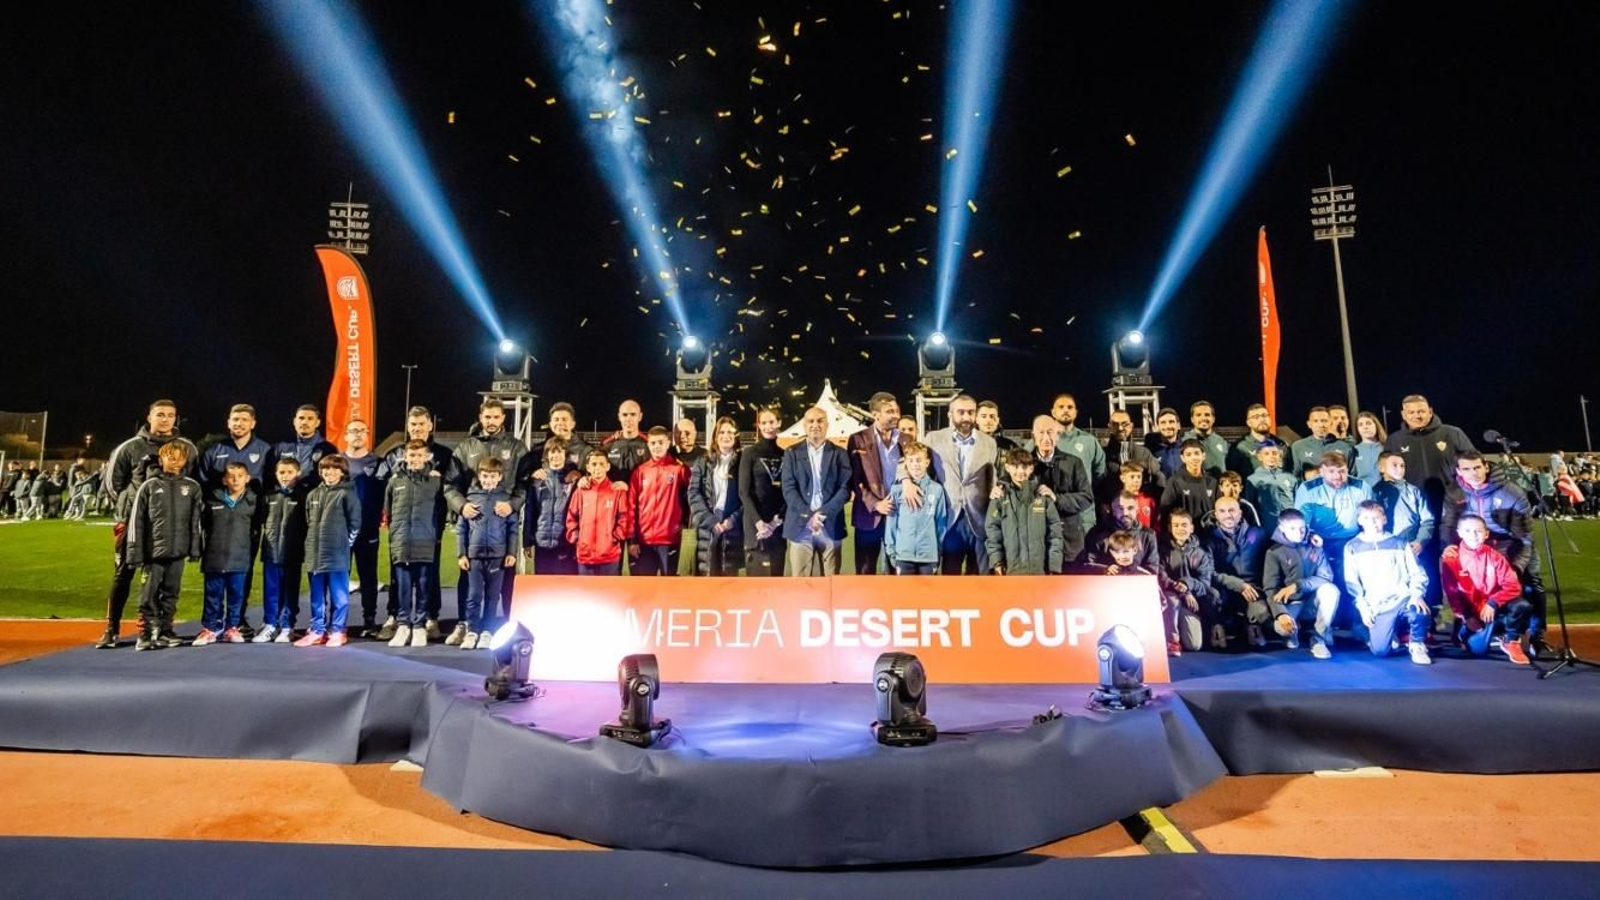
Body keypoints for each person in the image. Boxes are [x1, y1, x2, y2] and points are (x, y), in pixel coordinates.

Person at [96, 399, 200, 649]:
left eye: (170, 415)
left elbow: (191, 481)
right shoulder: (129, 448)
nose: (165, 419)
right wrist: (131, 510)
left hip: (167, 527)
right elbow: (113, 485)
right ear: (149, 417)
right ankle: (112, 628)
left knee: (164, 579)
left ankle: (161, 628)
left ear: (176, 419)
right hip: (132, 524)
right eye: (160, 414)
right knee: (123, 574)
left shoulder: (187, 448)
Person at [1440, 451, 1547, 647]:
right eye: (1466, 469)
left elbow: (1524, 536)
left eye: (1477, 467)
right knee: (1464, 583)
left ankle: (1537, 634)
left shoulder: (1511, 492)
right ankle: (1466, 622)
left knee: (1532, 583)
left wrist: (1516, 567)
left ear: (1486, 467)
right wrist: (1449, 546)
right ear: (1458, 471)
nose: (1473, 473)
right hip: (1476, 542)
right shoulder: (1454, 492)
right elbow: (1448, 523)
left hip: (1511, 544)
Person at [445, 399, 529, 644]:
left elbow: (524, 484)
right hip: (475, 530)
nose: (491, 421)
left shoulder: (517, 448)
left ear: (503, 418)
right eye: (487, 417)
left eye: (496, 417)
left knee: (502, 585)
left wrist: (512, 505)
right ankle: (465, 625)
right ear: (480, 417)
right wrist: (462, 506)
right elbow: (450, 485)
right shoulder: (465, 448)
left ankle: (500, 627)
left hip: (501, 528)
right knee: (469, 584)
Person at [376, 406, 457, 641]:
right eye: (413, 425)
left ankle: (430, 617)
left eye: (421, 424)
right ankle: (395, 617)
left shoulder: (444, 455)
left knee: (428, 573)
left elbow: (448, 489)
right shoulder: (395, 454)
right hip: (402, 527)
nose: (417, 429)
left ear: (430, 425)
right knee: (398, 572)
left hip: (430, 526)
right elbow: (386, 490)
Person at [901, 395, 997, 574]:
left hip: (979, 521)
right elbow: (907, 461)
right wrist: (906, 481)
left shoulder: (989, 443)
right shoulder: (934, 439)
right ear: (950, 415)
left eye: (971, 412)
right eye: (961, 412)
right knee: (949, 577)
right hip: (949, 519)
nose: (966, 417)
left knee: (981, 580)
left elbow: (994, 479)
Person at [126, 441, 204, 651]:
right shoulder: (149, 486)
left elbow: (195, 522)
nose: (175, 462)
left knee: (171, 592)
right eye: (171, 457)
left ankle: (165, 630)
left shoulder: (192, 487)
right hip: (153, 554)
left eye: (180, 458)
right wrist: (134, 553)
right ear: (161, 460)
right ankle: (145, 632)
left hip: (178, 551)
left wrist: (195, 549)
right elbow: (136, 521)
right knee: (148, 594)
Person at [1344, 501, 1432, 665]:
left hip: (1402, 597)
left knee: (1419, 610)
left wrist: (1417, 595)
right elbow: (1353, 583)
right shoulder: (1352, 547)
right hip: (1377, 604)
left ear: (1384, 519)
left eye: (1376, 518)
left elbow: (1417, 572)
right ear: (1359, 521)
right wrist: (1364, 608)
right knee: (1380, 651)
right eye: (1367, 518)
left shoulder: (1399, 543)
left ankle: (1417, 644)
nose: (1372, 522)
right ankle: (1388, 633)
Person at [1440, 514, 1529, 664]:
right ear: (1459, 533)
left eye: (1478, 531)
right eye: (1467, 531)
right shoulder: (1451, 559)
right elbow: (1452, 594)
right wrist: (1467, 616)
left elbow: (1513, 585)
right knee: (1477, 651)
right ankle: (1463, 628)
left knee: (1522, 605)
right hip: (1471, 610)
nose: (1473, 535)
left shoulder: (1495, 557)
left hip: (1492, 606)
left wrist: (1494, 602)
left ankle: (1511, 640)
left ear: (1486, 533)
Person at [294, 455, 361, 648]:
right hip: (315, 554)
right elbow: (309, 522)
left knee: (339, 596)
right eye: (325, 469)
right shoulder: (313, 494)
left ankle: (338, 630)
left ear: (342, 472)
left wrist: (344, 545)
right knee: (317, 596)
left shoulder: (347, 494)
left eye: (334, 469)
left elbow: (355, 524)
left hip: (337, 555)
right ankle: (317, 630)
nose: (329, 473)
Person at [385, 439, 446, 648]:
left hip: (425, 541)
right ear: (405, 456)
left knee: (423, 586)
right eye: (411, 455)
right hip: (401, 542)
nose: (415, 459)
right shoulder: (395, 481)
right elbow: (389, 511)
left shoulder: (435, 481)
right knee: (402, 587)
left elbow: (440, 511)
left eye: (419, 455)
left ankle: (419, 625)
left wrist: (435, 534)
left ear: (427, 457)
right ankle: (403, 625)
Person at [454, 457, 519, 650]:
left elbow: (513, 529)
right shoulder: (471, 499)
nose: (488, 479)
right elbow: (461, 529)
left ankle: (487, 632)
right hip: (474, 556)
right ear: (479, 477)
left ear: (499, 477)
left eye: (492, 476)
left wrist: (511, 552)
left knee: (492, 596)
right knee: (474, 596)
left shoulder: (506, 501)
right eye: (485, 476)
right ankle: (472, 630)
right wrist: (461, 554)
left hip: (497, 557)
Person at [780, 406, 852, 576]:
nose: (815, 425)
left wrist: (822, 514)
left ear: (827, 425)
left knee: (831, 586)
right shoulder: (791, 453)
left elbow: (845, 488)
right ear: (804, 425)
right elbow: (788, 489)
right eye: (810, 421)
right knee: (801, 585)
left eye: (820, 421)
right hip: (800, 526)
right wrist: (808, 516)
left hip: (830, 526)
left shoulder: (839, 453)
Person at [193, 462, 259, 646]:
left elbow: (256, 529)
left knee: (236, 596)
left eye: (240, 475)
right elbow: (201, 527)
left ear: (247, 478)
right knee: (213, 595)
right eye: (231, 476)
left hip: (240, 557)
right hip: (214, 557)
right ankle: (210, 628)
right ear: (224, 480)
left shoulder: (253, 501)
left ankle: (233, 627)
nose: (235, 479)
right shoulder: (212, 500)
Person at [1382, 394, 1477, 520]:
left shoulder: (1453, 433)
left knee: (1449, 537)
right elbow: (1388, 475)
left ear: (1430, 412)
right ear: (1404, 415)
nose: (1417, 416)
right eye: (1411, 412)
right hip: (1414, 504)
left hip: (1452, 501)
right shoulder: (1394, 440)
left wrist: (1460, 491)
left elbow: (1474, 463)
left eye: (1421, 411)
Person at [1263, 509, 1340, 658]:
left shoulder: (1315, 545)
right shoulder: (1274, 552)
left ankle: (1318, 638)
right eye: (1292, 528)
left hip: (1312, 601)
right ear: (1282, 529)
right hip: (1291, 604)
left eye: (1302, 528)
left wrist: (1298, 585)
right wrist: (1281, 614)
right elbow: (1270, 588)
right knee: (1283, 628)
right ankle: (1292, 631)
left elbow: (1325, 576)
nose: (1299, 532)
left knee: (1331, 590)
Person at [848, 392, 910, 574]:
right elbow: (855, 479)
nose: (896, 416)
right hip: (869, 516)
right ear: (875, 414)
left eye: (897, 411)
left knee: (897, 571)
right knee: (865, 571)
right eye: (890, 411)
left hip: (899, 515)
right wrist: (876, 504)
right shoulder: (858, 440)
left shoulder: (906, 440)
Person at [1023, 415, 1094, 565]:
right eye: (1041, 432)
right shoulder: (1023, 465)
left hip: (1068, 542)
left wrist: (1057, 499)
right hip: (1034, 542)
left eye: (1050, 432)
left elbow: (1087, 497)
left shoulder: (1074, 462)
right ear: (1033, 436)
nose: (1046, 437)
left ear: (1057, 435)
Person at [1293, 452, 1373, 585]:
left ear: (1348, 470)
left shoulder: (1361, 487)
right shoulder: (1308, 489)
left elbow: (1371, 517)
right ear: (1321, 471)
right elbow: (1300, 521)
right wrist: (1310, 534)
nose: (1337, 476)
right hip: (1318, 540)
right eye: (1331, 471)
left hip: (1352, 539)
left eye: (1342, 471)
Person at [984, 448, 1064, 576]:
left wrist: (1054, 565)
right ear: (1007, 467)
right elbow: (992, 531)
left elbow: (1055, 534)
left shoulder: (1043, 497)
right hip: (1010, 570)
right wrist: (997, 561)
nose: (1020, 471)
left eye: (1025, 466)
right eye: (1015, 466)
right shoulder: (999, 496)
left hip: (1039, 571)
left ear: (1032, 468)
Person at [255, 457, 308, 643]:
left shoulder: (303, 496)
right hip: (271, 553)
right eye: (281, 473)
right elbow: (259, 521)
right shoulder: (269, 496)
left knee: (290, 591)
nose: (285, 476)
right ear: (276, 474)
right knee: (271, 591)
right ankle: (270, 624)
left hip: (293, 553)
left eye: (290, 472)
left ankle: (287, 626)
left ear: (298, 473)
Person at [341, 418, 385, 637]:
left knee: (368, 576)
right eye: (353, 431)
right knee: (340, 576)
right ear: (345, 435)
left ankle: (369, 621)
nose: (357, 434)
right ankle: (338, 621)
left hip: (368, 529)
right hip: (340, 531)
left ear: (367, 434)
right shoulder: (336, 461)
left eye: (361, 431)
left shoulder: (378, 463)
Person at [1207, 497, 1270, 648]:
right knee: (1212, 598)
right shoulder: (1208, 539)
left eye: (1232, 510)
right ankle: (1219, 626)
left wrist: (1310, 535)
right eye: (1222, 511)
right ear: (1216, 515)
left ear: (1240, 513)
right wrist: (1239, 585)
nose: (1228, 515)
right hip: (1225, 589)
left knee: (1263, 613)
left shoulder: (1259, 534)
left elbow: (1280, 550)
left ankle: (1250, 624)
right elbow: (1209, 573)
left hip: (1253, 589)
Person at [688, 417, 744, 576]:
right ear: (715, 436)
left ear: (736, 436)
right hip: (708, 525)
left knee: (729, 580)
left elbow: (747, 496)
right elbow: (693, 493)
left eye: (730, 432)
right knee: (706, 579)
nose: (726, 436)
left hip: (731, 527)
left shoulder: (743, 462)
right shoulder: (702, 462)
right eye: (722, 432)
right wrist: (710, 521)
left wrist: (733, 520)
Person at [631, 426, 690, 576]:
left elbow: (691, 497)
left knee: (669, 587)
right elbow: (631, 506)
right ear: (648, 445)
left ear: (668, 443)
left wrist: (684, 522)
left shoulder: (679, 469)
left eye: (660, 442)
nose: (657, 446)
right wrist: (633, 539)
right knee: (644, 589)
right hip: (644, 539)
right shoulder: (640, 471)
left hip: (669, 538)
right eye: (653, 443)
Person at [1156, 509, 1216, 654]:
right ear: (1170, 528)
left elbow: (1205, 584)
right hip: (1170, 597)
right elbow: (1161, 576)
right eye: (1176, 525)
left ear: (1191, 528)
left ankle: (1185, 629)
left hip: (1190, 601)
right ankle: (1172, 641)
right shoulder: (1162, 550)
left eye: (1184, 525)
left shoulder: (1201, 553)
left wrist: (1188, 586)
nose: (1180, 529)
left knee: (1194, 645)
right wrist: (1182, 590)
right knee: (1172, 601)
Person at [884, 441, 949, 574]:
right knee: (905, 594)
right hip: (903, 555)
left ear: (927, 462)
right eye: (911, 461)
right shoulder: (897, 490)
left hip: (928, 556)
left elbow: (940, 523)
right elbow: (891, 523)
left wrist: (937, 551)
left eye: (919, 460)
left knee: (927, 595)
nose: (915, 465)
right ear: (906, 463)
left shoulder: (937, 490)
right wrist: (891, 552)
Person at [568, 450, 634, 576]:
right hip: (585, 555)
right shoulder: (580, 492)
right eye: (593, 464)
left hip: (609, 555)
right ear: (588, 467)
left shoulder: (617, 491)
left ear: (607, 467)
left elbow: (624, 517)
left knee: (608, 594)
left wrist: (616, 537)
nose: (597, 467)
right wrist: (576, 537)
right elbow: (571, 516)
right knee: (587, 595)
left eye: (601, 464)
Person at [738, 407, 787, 577]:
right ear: (758, 425)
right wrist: (759, 522)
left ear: (779, 423)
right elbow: (743, 492)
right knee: (756, 585)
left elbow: (787, 492)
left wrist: (775, 522)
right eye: (764, 423)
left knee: (776, 579)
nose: (768, 426)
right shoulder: (749, 453)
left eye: (772, 422)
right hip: (755, 526)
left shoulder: (785, 455)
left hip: (777, 526)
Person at [526, 438, 578, 576]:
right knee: (543, 588)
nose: (556, 456)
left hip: (565, 543)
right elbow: (530, 512)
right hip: (541, 543)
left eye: (560, 452)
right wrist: (527, 541)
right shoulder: (537, 480)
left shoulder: (573, 479)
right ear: (547, 455)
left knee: (565, 589)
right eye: (552, 452)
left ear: (565, 455)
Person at [1049, 394, 1107, 512]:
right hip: (1052, 512)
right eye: (1061, 407)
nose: (1066, 410)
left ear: (1075, 413)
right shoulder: (1042, 440)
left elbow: (1099, 474)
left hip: (1083, 514)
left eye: (1070, 407)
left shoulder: (1089, 441)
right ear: (1053, 413)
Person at [1371, 452, 1435, 558]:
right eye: (1394, 465)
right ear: (1382, 468)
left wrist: (1420, 541)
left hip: (1411, 546)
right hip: (1385, 548)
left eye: (1402, 466)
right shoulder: (1375, 492)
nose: (1400, 469)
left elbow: (1428, 520)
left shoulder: (1413, 491)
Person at [201, 404, 274, 494]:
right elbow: (203, 483)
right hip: (221, 506)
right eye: (235, 419)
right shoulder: (213, 451)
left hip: (255, 506)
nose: (239, 424)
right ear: (229, 423)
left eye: (244, 420)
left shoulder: (265, 450)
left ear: (253, 424)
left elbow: (271, 482)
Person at [1085, 491, 1160, 573]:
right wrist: (1103, 570)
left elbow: (1152, 568)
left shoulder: (1147, 535)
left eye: (1130, 508)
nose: (1125, 513)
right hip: (1105, 584)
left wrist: (1135, 573)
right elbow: (1086, 565)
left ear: (1137, 509)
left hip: (1138, 584)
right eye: (1120, 508)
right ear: (1112, 510)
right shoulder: (1097, 534)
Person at [1101, 408, 1162, 506]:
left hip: (1141, 508)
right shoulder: (1102, 454)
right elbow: (1097, 482)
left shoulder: (1143, 452)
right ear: (1109, 426)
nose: (1120, 428)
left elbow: (1158, 477)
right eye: (1115, 424)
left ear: (1131, 426)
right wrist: (1103, 502)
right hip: (1112, 508)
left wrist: (1154, 503)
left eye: (1124, 424)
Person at [1246, 439, 1298, 535]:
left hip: (1290, 526)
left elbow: (1297, 501)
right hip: (1267, 527)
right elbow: (1250, 507)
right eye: (1266, 454)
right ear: (1259, 457)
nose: (1271, 457)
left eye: (1274, 453)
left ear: (1279, 455)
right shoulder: (1253, 480)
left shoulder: (1290, 477)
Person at [275, 405, 339, 482]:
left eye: (310, 419)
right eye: (301, 418)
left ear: (317, 423)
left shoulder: (328, 449)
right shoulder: (282, 446)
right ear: (294, 422)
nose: (304, 422)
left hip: (314, 493)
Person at [1160, 439, 1218, 524]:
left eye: (1197, 453)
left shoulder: (1212, 482)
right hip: (1185, 534)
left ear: (1204, 456)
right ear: (1183, 458)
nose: (1193, 458)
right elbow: (1165, 510)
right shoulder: (1174, 482)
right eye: (1188, 455)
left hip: (1209, 533)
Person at [1290, 407, 1355, 474]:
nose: (1321, 425)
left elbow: (1352, 474)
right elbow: (1296, 475)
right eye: (1316, 421)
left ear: (1330, 423)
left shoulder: (1344, 447)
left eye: (1324, 421)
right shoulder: (1298, 447)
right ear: (1309, 424)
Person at [603, 399, 651, 486]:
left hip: (639, 496)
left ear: (640, 416)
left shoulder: (649, 445)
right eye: (625, 415)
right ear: (619, 417)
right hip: (615, 496)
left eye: (633, 414)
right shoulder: (608, 445)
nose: (628, 419)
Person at [1181, 401, 1230, 477]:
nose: (1203, 418)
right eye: (1198, 415)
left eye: (1207, 415)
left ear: (1213, 419)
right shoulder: (1184, 441)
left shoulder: (1221, 441)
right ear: (1192, 419)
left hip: (1218, 487)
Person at [1228, 404, 1275, 474]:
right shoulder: (1238, 447)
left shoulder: (1281, 444)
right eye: (1256, 417)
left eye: (1264, 415)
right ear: (1248, 423)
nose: (1262, 419)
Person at [545, 402, 593, 470]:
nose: (560, 423)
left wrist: (580, 474)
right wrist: (532, 473)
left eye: (564, 419)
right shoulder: (539, 449)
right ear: (550, 424)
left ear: (573, 424)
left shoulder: (585, 450)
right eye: (556, 419)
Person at [1143, 408, 1184, 478]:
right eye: (1163, 422)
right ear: (1157, 426)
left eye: (1171, 422)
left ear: (1178, 425)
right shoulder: (1148, 451)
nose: (1167, 426)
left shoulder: (1187, 448)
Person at [1352, 411, 1386, 485]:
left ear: (1376, 425)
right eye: (1360, 425)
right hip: (1363, 494)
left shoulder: (1386, 447)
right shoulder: (1354, 450)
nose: (1365, 427)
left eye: (1368, 423)